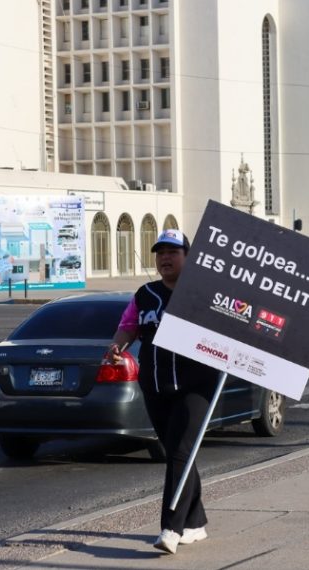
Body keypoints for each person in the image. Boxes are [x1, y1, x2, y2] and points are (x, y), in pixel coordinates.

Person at [105, 229, 219, 555]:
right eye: (160, 253)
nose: (165, 258)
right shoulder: (145, 294)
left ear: (188, 257)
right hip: (155, 385)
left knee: (181, 451)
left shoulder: (202, 293)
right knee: (177, 454)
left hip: (195, 385)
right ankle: (195, 522)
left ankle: (171, 527)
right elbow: (129, 326)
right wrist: (117, 346)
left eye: (172, 252)